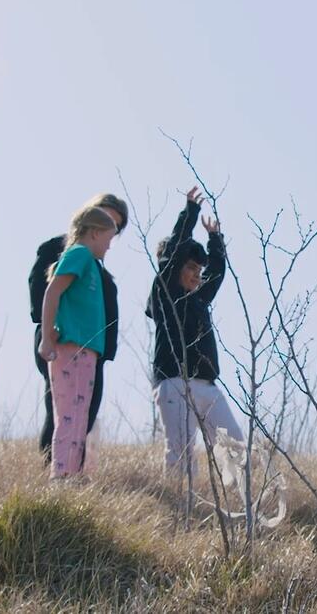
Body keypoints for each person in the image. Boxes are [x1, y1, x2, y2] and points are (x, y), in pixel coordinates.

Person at [146, 187, 243, 477]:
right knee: (182, 454)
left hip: (206, 384)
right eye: (190, 267)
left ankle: (240, 505)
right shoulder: (166, 293)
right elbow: (174, 254)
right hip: (174, 381)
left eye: (198, 269)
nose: (195, 274)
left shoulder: (199, 298)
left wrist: (215, 240)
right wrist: (189, 213)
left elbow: (216, 272)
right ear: (173, 267)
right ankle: (178, 512)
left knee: (234, 447)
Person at [29, 194, 128, 466]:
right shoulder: (75, 253)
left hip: (90, 350)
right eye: (108, 232)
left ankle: (71, 474)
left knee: (81, 415)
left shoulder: (96, 268)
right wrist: (48, 334)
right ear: (94, 229)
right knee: (66, 415)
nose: (110, 245)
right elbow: (50, 291)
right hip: (67, 343)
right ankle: (58, 474)